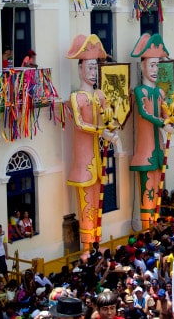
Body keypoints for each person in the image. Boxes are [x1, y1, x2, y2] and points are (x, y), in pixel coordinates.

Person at [66, 34, 118, 247]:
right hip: (84, 163)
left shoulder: (100, 95)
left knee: (98, 205)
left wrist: (113, 128)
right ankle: (88, 246)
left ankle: (97, 243)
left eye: (96, 67)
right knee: (87, 207)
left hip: (99, 161)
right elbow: (80, 124)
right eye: (89, 67)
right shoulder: (76, 97)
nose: (94, 72)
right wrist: (101, 131)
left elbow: (109, 118)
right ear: (80, 69)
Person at [130, 34, 174, 229]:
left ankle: (154, 226)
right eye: (151, 65)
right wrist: (163, 123)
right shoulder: (140, 91)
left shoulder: (160, 93)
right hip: (145, 151)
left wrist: (171, 121)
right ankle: (147, 229)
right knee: (147, 192)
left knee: (157, 189)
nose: (155, 69)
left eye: (157, 65)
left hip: (158, 150)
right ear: (142, 67)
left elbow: (166, 112)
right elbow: (144, 113)